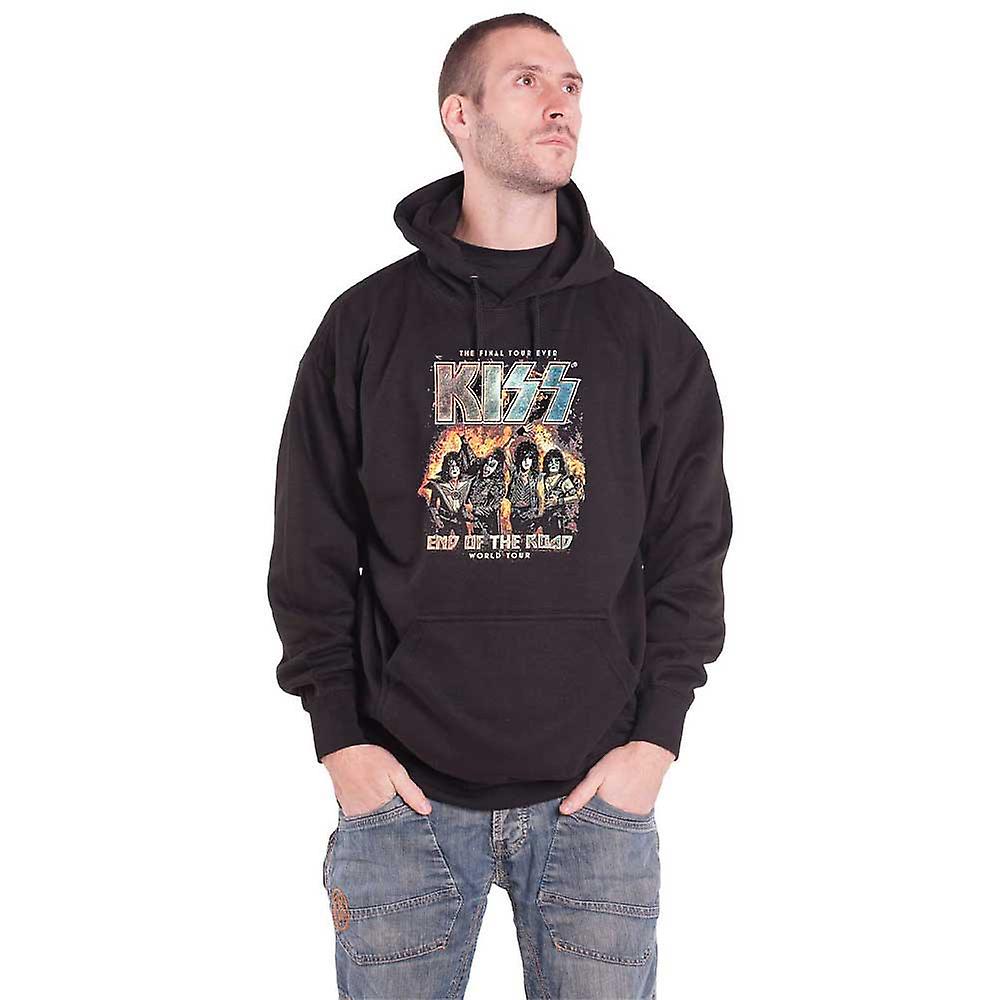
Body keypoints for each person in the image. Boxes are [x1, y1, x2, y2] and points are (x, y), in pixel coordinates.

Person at [267, 13, 732, 999]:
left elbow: (690, 548)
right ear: (459, 115)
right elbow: (312, 547)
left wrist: (656, 739)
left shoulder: (646, 333)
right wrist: (340, 738)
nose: (562, 101)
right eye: (527, 81)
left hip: (595, 805)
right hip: (401, 800)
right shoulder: (365, 326)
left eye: (572, 83)